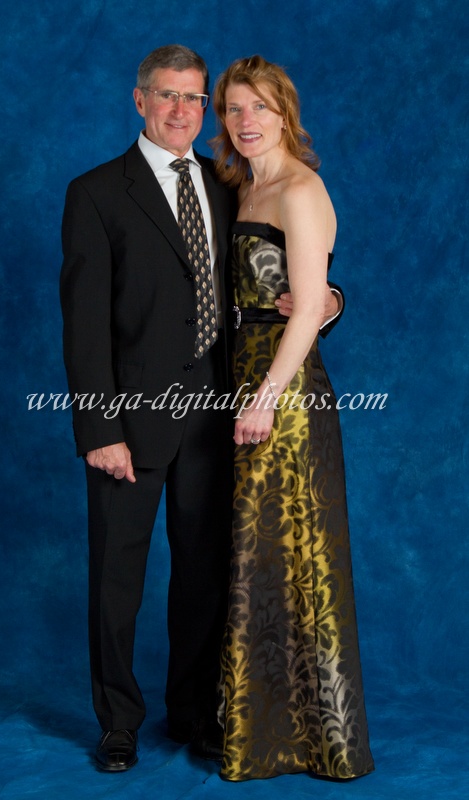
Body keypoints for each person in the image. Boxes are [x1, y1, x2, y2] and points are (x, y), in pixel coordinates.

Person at [60, 44, 341, 774]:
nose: (182, 110)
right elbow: (83, 326)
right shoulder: (96, 193)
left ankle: (191, 712)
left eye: (194, 98)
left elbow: (280, 275)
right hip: (130, 423)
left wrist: (329, 302)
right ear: (140, 100)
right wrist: (100, 430)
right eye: (167, 95)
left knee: (204, 577)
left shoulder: (229, 183)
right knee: (115, 581)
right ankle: (118, 723)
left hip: (220, 420)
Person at [211, 55, 375, 781]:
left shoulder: (301, 189)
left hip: (282, 396)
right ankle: (256, 726)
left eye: (260, 107)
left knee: (291, 557)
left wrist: (265, 398)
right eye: (233, 108)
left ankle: (307, 741)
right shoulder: (243, 187)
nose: (246, 121)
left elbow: (307, 308)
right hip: (241, 381)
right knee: (258, 557)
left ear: (285, 114)